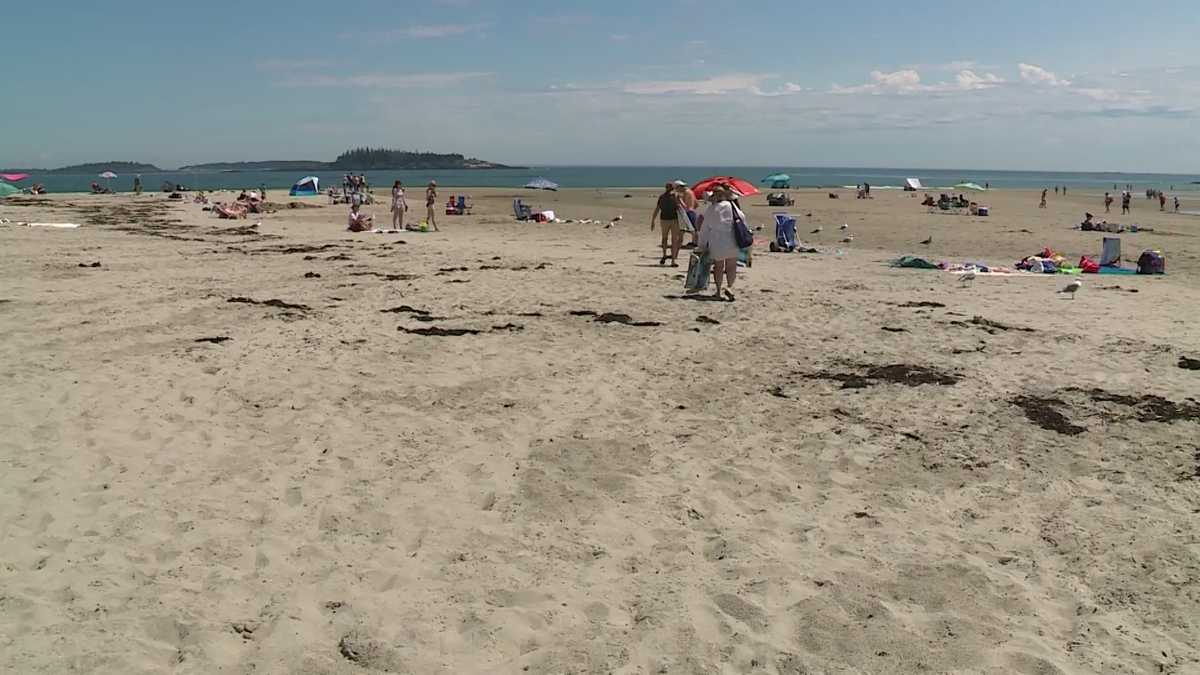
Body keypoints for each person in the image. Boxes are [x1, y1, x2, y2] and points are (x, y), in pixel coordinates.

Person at [695, 185, 744, 301]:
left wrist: (701, 244)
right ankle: (730, 287)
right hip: (732, 239)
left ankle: (718, 290)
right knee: (731, 266)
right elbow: (742, 218)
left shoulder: (712, 209)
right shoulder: (732, 206)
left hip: (717, 241)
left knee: (719, 266)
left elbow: (705, 228)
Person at [650, 182, 684, 266]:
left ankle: (667, 256)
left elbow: (657, 209)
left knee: (667, 238)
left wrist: (653, 220)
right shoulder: (670, 196)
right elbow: (682, 206)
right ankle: (670, 259)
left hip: (667, 219)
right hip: (671, 220)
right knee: (672, 239)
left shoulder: (664, 197)